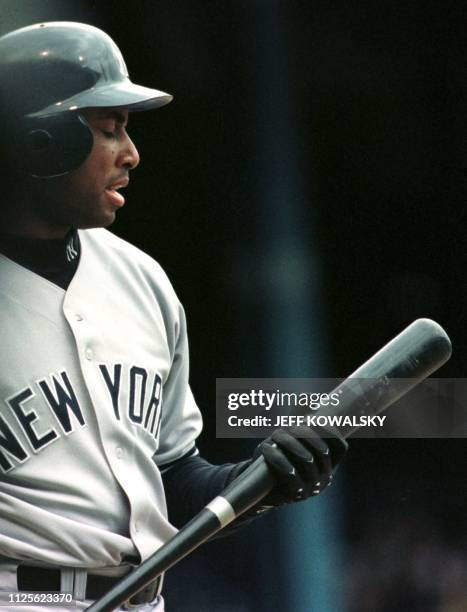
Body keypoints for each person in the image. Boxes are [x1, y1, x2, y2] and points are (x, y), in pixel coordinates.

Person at [0, 22, 348, 611]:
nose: (131, 154)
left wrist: (263, 482)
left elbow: (172, 482)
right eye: (109, 130)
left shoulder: (141, 280)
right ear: (43, 141)